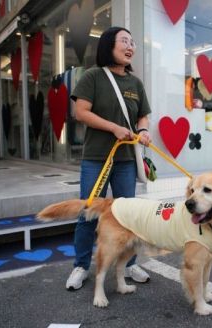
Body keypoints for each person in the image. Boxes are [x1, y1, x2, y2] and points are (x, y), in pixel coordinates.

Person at [67, 26, 151, 290]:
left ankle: (129, 263)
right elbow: (81, 112)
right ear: (108, 46)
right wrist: (113, 128)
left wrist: (144, 129)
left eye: (132, 42)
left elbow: (142, 115)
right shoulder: (93, 76)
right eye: (124, 41)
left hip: (126, 160)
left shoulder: (136, 83)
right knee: (89, 213)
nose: (130, 46)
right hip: (96, 158)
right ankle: (81, 266)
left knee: (128, 215)